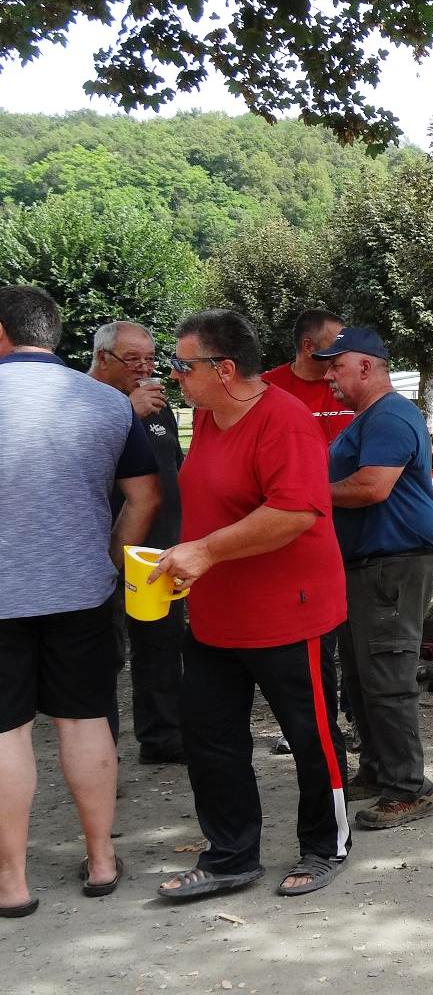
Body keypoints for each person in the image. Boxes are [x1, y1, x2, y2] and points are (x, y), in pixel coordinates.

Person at [154, 309, 350, 901]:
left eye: (184, 365)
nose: (174, 377)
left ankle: (325, 845)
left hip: (290, 612)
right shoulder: (211, 417)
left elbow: (293, 512)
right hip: (216, 614)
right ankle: (230, 857)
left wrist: (206, 551)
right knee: (211, 738)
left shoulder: (283, 421)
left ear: (226, 368)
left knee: (310, 735)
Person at [0, 285, 160, 917]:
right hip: (81, 591)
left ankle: (12, 883)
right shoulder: (106, 404)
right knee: (86, 719)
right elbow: (145, 497)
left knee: (5, 733)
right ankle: (100, 860)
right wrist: (110, 557)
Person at [320, 327, 433, 829]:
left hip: (391, 564)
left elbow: (372, 487)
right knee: (363, 673)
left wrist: (305, 492)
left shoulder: (390, 415)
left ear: (366, 367)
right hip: (369, 565)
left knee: (387, 675)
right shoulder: (372, 418)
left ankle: (409, 788)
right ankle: (378, 769)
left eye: (336, 365)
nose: (328, 375)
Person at [89, 320, 186, 764]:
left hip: (159, 548)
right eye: (134, 360)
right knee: (101, 654)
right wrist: (126, 412)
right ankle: (98, 756)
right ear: (103, 358)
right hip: (102, 549)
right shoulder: (83, 403)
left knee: (162, 642)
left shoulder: (158, 406)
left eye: (151, 358)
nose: (146, 368)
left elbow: (173, 468)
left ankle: (163, 737)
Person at [261, 308, 355, 755]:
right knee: (307, 634)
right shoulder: (268, 387)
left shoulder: (347, 387)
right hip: (292, 531)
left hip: (350, 527)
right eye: (334, 344)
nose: (341, 355)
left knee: (353, 629)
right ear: (307, 346)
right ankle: (308, 723)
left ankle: (352, 718)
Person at [261, 308, 355, 444]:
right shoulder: (265, 388)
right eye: (336, 346)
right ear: (308, 346)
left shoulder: (353, 382)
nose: (344, 352)